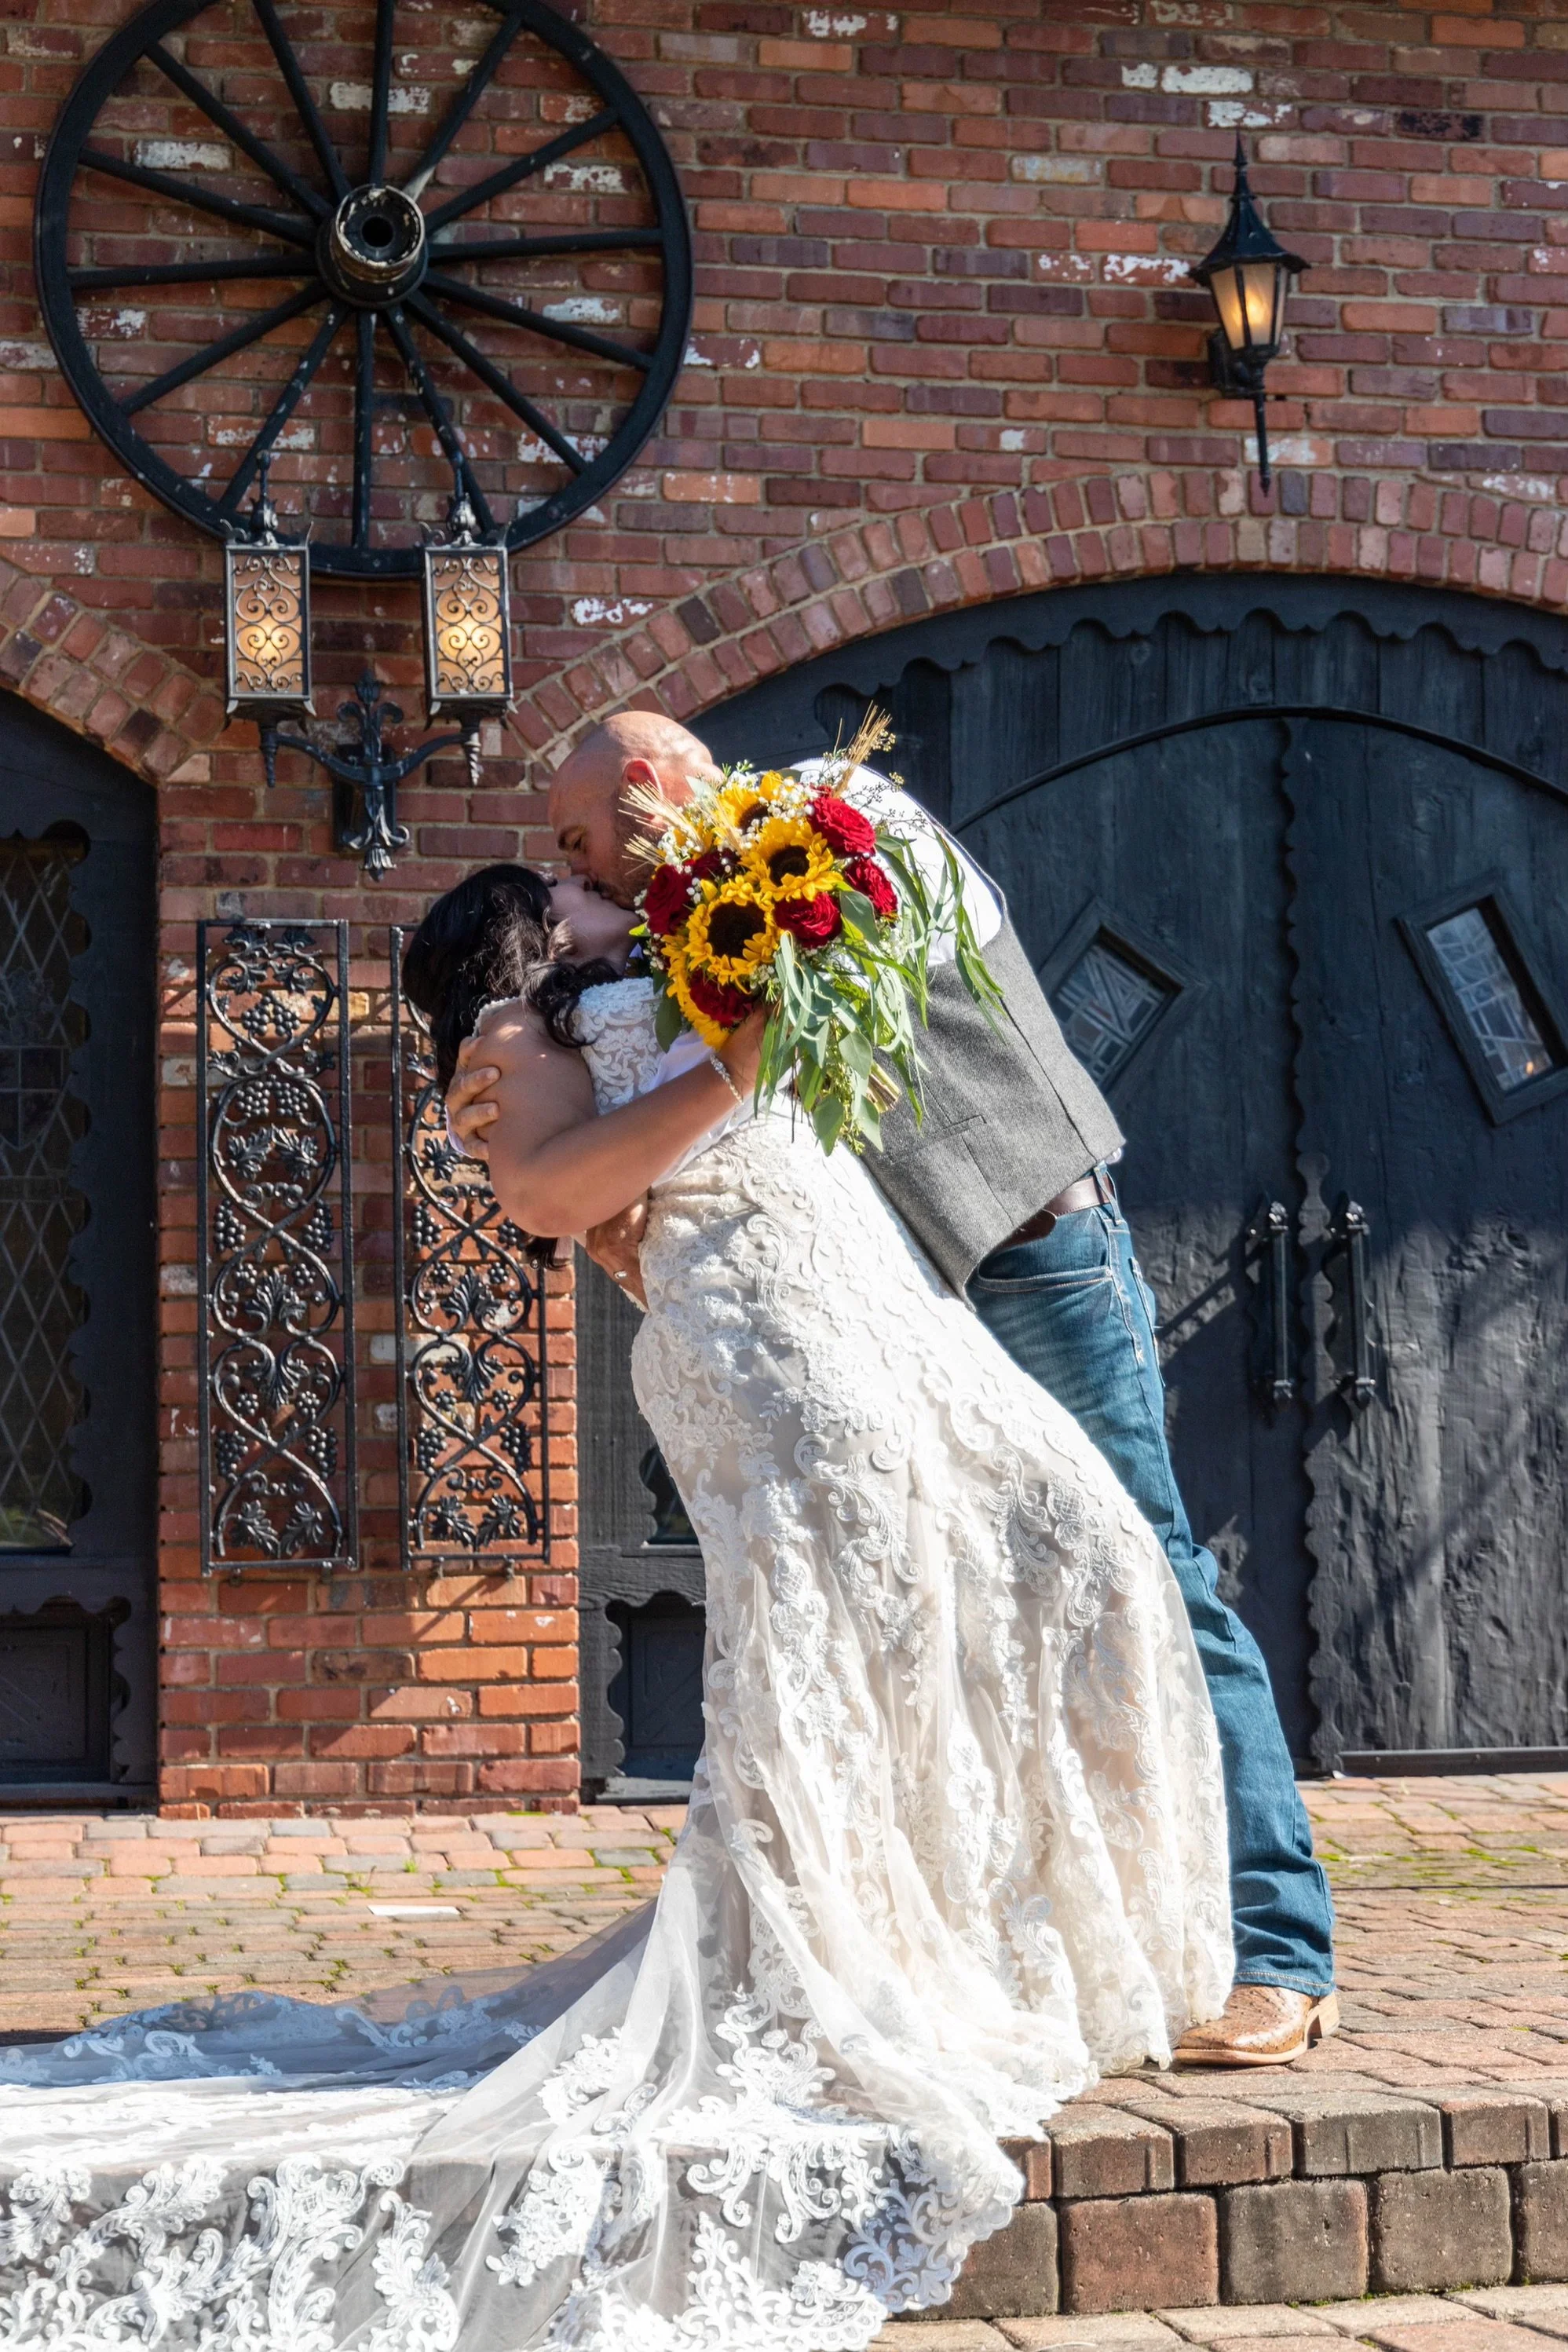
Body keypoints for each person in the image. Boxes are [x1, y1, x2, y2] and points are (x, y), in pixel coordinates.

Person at [0, 857, 1236, 2349]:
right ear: (529, 940)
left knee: (1053, 1565)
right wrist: (735, 1067)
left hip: (884, 1324)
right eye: (580, 886)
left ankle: (975, 1927)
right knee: (835, 1663)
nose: (614, 892)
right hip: (774, 1356)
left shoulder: (659, 986)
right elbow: (543, 1189)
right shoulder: (522, 1036)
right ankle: (834, 1959)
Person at [448, 709, 1340, 2069]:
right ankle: (1045, 1933)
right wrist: (510, 1071)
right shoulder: (673, 923)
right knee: (961, 1598)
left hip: (1023, 1244)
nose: (579, 866)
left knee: (1139, 1560)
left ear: (645, 790)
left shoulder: (844, 824)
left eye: (580, 840)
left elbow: (817, 1003)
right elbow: (661, 1079)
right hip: (881, 1297)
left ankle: (1280, 1947)